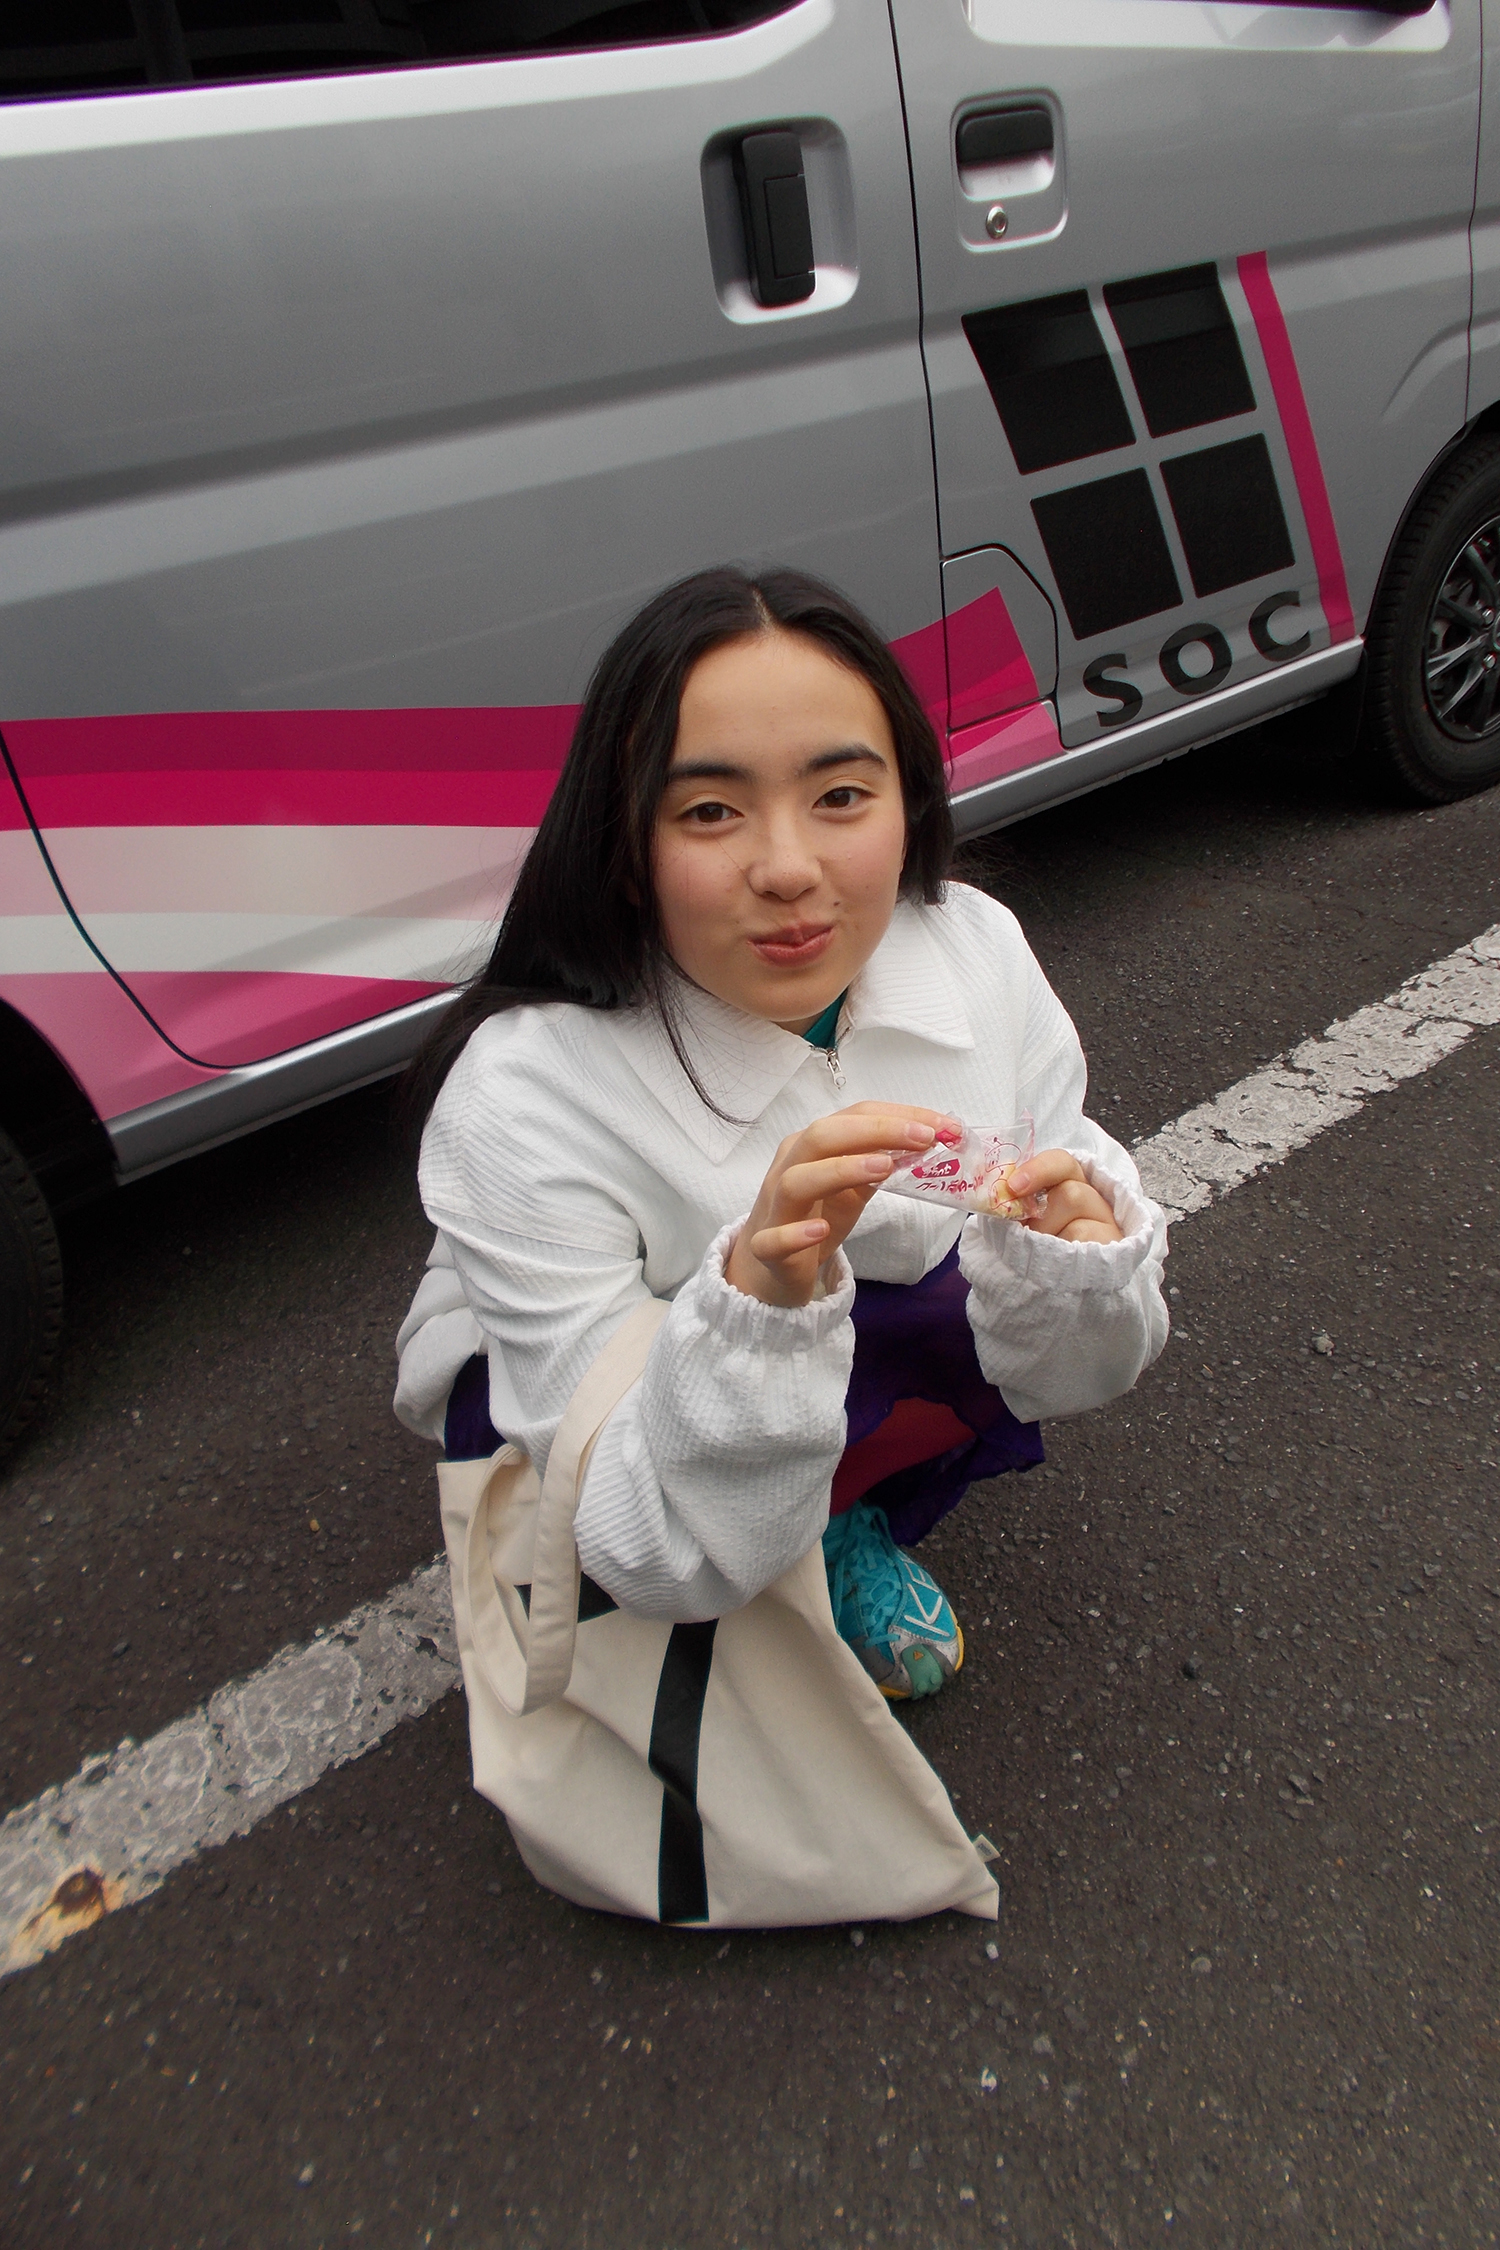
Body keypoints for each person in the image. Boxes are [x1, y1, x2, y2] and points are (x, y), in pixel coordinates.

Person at [396, 566, 1167, 1699]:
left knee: (959, 1303)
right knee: (630, 1510)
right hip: (616, 1404)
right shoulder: (522, 1096)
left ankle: (835, 1518)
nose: (790, 869)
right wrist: (753, 1301)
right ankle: (753, 1534)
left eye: (841, 795)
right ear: (625, 843)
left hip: (837, 1360)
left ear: (910, 801)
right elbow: (635, 1530)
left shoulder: (976, 950)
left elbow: (1074, 1348)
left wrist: (1079, 1260)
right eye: (710, 811)